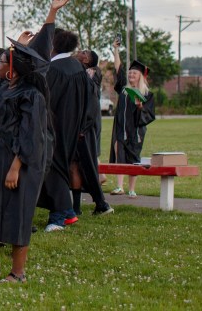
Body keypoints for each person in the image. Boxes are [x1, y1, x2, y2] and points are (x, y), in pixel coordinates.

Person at [0, 39, 50, 283]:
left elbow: (32, 136)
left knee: (17, 216)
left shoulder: (31, 95)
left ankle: (18, 273)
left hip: (16, 164)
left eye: (1, 62)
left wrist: (16, 167)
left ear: (12, 69)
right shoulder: (2, 88)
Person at [39, 29, 90, 232]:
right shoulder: (77, 67)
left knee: (54, 167)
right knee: (62, 165)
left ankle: (58, 216)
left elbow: (46, 101)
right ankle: (68, 212)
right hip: (73, 126)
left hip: (54, 126)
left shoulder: (53, 70)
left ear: (53, 46)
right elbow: (88, 100)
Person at [109, 45, 155, 198]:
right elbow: (118, 68)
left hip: (135, 131)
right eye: (130, 73)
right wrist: (115, 50)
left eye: (134, 73)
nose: (131, 75)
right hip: (121, 129)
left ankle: (132, 189)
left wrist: (140, 106)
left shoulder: (147, 94)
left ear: (140, 76)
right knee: (119, 155)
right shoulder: (123, 88)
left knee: (133, 159)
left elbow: (149, 114)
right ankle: (119, 186)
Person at [72, 49, 112, 215]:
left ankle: (101, 204)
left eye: (83, 52)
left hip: (85, 128)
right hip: (80, 127)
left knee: (87, 166)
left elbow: (91, 104)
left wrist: (83, 127)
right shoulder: (83, 72)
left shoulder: (92, 74)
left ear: (87, 60)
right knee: (76, 166)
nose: (79, 52)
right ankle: (76, 208)